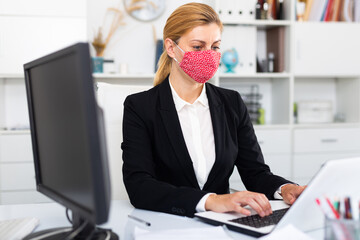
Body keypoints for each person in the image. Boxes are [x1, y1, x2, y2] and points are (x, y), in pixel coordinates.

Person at [121, 2, 306, 218]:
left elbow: (255, 173)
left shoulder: (232, 102)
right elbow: (139, 187)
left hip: (220, 227)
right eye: (198, 47)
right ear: (171, 48)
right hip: (165, 224)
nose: (208, 55)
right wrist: (210, 201)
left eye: (215, 47)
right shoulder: (140, 107)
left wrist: (285, 189)